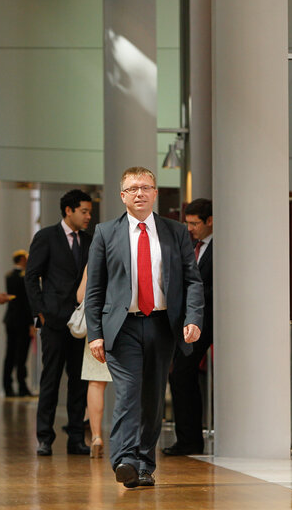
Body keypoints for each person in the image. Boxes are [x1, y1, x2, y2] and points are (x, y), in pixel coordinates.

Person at [85, 167, 204, 488]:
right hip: (121, 328)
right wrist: (95, 333)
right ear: (122, 196)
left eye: (146, 187)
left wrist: (193, 318)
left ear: (155, 193)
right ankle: (124, 458)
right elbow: (95, 289)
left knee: (152, 398)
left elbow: (192, 280)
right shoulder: (105, 232)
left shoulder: (175, 232)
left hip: (163, 326)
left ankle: (143, 464)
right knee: (127, 393)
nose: (140, 193)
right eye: (133, 188)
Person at [25, 189, 93, 456]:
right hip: (53, 322)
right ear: (69, 211)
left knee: (79, 382)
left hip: (82, 322)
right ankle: (44, 438)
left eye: (89, 212)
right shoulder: (46, 237)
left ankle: (76, 438)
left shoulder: (90, 241)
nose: (89, 216)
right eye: (84, 211)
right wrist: (40, 312)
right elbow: (31, 277)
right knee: (50, 380)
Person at [163, 198, 214, 456]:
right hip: (189, 323)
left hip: (208, 323)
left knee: (181, 374)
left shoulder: (219, 248)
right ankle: (188, 438)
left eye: (195, 224)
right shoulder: (192, 247)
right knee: (181, 375)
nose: (190, 228)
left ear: (210, 221)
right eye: (188, 223)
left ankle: (190, 440)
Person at [75, 266, 112, 458]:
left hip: (98, 326)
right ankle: (131, 437)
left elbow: (81, 296)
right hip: (126, 323)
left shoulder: (95, 258)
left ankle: (96, 436)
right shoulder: (131, 250)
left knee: (96, 382)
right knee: (130, 381)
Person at [3, 250, 36, 397]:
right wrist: (31, 323)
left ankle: (7, 386)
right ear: (22, 259)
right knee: (21, 355)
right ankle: (22, 386)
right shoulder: (24, 277)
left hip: (10, 319)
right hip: (22, 321)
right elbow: (26, 302)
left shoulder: (9, 276)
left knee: (10, 354)